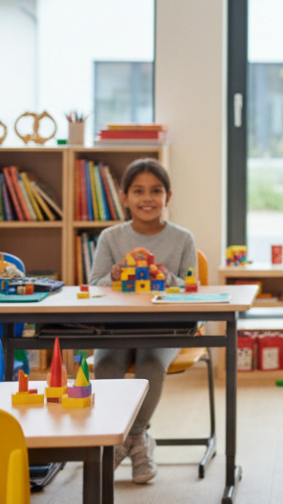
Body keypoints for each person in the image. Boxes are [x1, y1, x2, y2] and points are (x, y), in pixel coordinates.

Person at [87, 157, 198, 484]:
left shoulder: (183, 239)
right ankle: (127, 441)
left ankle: (133, 438)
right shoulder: (110, 237)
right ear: (124, 197)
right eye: (138, 191)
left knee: (151, 364)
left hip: (164, 328)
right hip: (115, 327)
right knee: (105, 366)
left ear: (168, 197)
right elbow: (95, 285)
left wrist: (169, 278)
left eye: (156, 191)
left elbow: (192, 288)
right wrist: (115, 276)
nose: (147, 198)